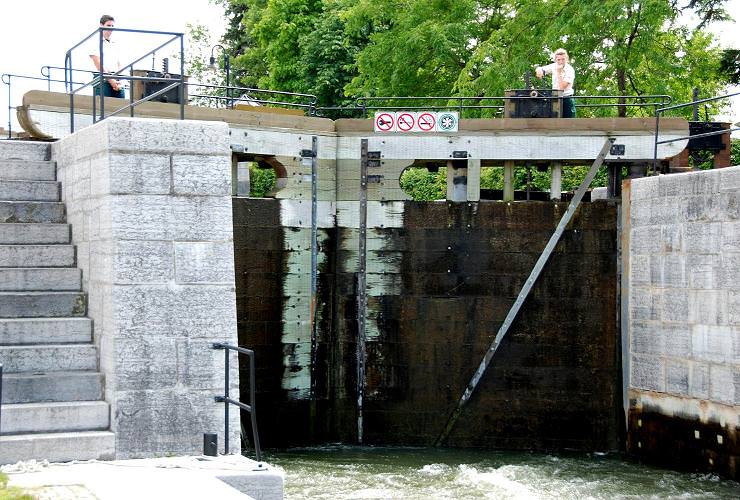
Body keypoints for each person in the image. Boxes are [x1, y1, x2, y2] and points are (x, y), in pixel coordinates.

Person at [88, 14, 125, 98]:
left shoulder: (115, 43)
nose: (110, 28)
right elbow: (98, 63)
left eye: (112, 26)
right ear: (101, 25)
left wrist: (119, 80)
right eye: (108, 25)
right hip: (101, 78)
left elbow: (119, 63)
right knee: (103, 107)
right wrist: (111, 80)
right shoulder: (94, 41)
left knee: (122, 107)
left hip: (116, 78)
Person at [535, 48, 576, 118]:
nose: (561, 62)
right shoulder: (554, 66)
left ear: (566, 59)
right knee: (554, 122)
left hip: (566, 99)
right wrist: (539, 71)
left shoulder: (570, 70)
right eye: (558, 60)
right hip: (555, 98)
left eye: (563, 59)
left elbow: (562, 87)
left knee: (568, 124)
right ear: (555, 60)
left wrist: (558, 72)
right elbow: (540, 69)